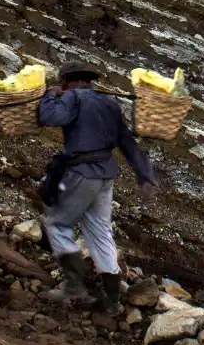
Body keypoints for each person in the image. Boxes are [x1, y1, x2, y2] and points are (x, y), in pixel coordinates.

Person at [38, 60, 157, 316]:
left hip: (82, 172)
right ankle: (111, 301)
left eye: (62, 83)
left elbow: (49, 117)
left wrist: (50, 95)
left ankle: (73, 286)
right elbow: (126, 141)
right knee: (100, 230)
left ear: (69, 80)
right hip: (106, 174)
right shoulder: (109, 102)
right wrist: (144, 175)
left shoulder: (74, 98)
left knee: (57, 223)